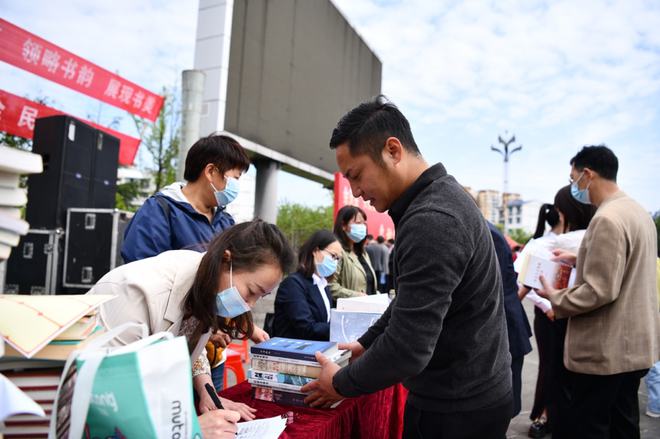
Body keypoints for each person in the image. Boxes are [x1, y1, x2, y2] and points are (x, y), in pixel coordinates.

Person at [301, 96, 512, 438]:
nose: (355, 192)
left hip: (457, 409)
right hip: (470, 392)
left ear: (393, 150)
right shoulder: (437, 201)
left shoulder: (432, 220)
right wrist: (368, 342)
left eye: (356, 175)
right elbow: (409, 300)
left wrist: (339, 383)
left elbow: (408, 348)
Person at [88, 220, 295, 436]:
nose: (250, 305)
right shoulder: (139, 293)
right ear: (226, 260)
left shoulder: (206, 279)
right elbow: (108, 397)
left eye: (261, 296)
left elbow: (188, 342)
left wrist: (207, 392)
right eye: (252, 291)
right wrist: (190, 429)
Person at [538, 145, 659, 438]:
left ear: (588, 174)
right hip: (634, 349)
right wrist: (580, 257)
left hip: (606, 352)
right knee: (624, 424)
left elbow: (598, 290)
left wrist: (556, 297)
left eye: (573, 178)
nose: (574, 186)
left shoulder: (606, 218)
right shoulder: (637, 212)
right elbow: (627, 263)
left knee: (591, 426)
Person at [519, 186, 596, 438]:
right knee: (551, 368)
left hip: (575, 314)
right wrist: (548, 306)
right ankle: (546, 415)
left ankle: (562, 417)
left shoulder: (587, 241)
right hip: (551, 316)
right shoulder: (542, 244)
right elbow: (525, 283)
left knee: (568, 370)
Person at [121, 134, 251, 263]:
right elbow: (141, 271)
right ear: (211, 171)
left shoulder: (226, 222)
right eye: (235, 178)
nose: (237, 186)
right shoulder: (158, 211)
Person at [487, 222, 533, 423]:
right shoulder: (486, 229)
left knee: (497, 411)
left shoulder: (485, 233)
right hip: (502, 325)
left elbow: (492, 286)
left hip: (503, 327)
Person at [271, 230, 342, 340]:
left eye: (338, 258)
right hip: (293, 352)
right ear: (315, 251)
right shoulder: (293, 284)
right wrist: (339, 327)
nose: (335, 262)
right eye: (333, 256)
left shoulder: (323, 285)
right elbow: (306, 328)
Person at [329, 205, 378, 300]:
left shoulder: (363, 253)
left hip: (367, 308)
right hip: (348, 311)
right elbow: (330, 286)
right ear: (343, 225)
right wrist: (356, 296)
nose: (362, 227)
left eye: (364, 224)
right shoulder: (337, 252)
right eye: (358, 223)